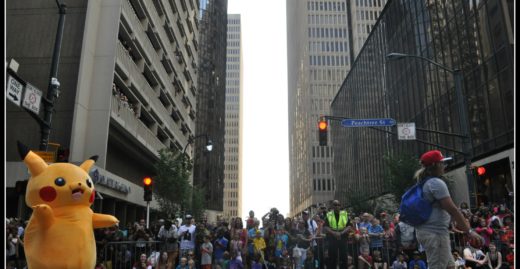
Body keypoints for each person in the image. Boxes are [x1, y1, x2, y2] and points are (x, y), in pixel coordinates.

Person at [412, 150, 482, 269]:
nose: (444, 166)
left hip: (432, 232)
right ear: (435, 165)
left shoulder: (425, 183)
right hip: (435, 233)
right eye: (442, 163)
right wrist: (469, 232)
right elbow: (453, 210)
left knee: (450, 265)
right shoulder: (436, 183)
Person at [323, 200, 353, 269]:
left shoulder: (345, 214)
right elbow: (325, 227)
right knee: (332, 257)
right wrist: (334, 233)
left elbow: (349, 226)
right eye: (335, 205)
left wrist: (340, 233)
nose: (337, 206)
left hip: (343, 237)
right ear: (332, 206)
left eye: (338, 205)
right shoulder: (329, 214)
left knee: (344, 257)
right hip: (332, 238)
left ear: (340, 206)